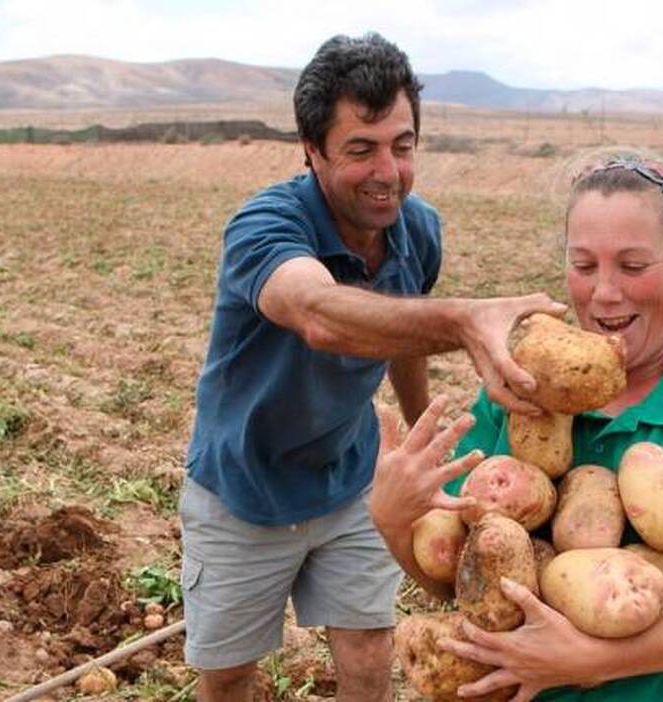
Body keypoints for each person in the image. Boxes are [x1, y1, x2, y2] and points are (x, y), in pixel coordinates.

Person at [178, 32, 564, 702]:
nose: (388, 171)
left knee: (367, 649)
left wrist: (422, 437)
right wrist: (462, 321)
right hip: (246, 490)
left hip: (351, 479)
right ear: (312, 149)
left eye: (403, 145)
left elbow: (402, 338)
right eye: (361, 149)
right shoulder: (264, 226)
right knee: (231, 672)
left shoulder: (418, 230)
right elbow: (320, 315)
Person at [369, 154, 663, 701]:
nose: (604, 293)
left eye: (632, 265)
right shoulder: (517, 391)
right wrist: (392, 521)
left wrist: (595, 661)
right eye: (583, 265)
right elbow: (461, 582)